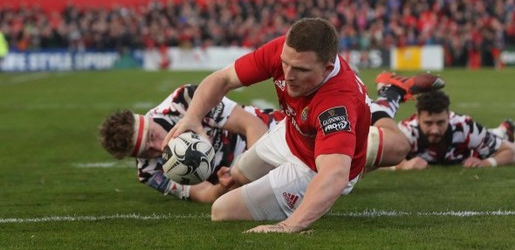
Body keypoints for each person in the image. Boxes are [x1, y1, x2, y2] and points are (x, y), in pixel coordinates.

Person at [163, 18, 422, 233]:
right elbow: (223, 78)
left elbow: (333, 175)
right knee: (237, 175)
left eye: (299, 69)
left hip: (312, 166)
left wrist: (289, 226)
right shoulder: (285, 52)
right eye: (286, 63)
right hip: (291, 133)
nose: (287, 75)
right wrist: (192, 117)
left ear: (327, 68)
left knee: (221, 210)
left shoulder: (336, 103)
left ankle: (364, 149)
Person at [99, 84, 284, 203]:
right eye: (145, 153)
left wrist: (248, 175)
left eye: (151, 136)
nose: (158, 147)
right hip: (241, 181)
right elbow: (205, 194)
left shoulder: (184, 100)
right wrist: (224, 186)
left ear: (146, 119)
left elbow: (252, 125)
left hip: (273, 132)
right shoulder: (149, 172)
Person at [370, 78, 515, 169]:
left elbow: (510, 154)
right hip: (467, 148)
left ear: (449, 116)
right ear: (418, 118)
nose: (435, 129)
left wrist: (488, 163)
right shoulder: (407, 132)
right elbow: (373, 156)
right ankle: (502, 131)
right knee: (496, 138)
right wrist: (403, 166)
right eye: (428, 123)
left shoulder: (465, 126)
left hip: (475, 148)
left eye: (441, 122)